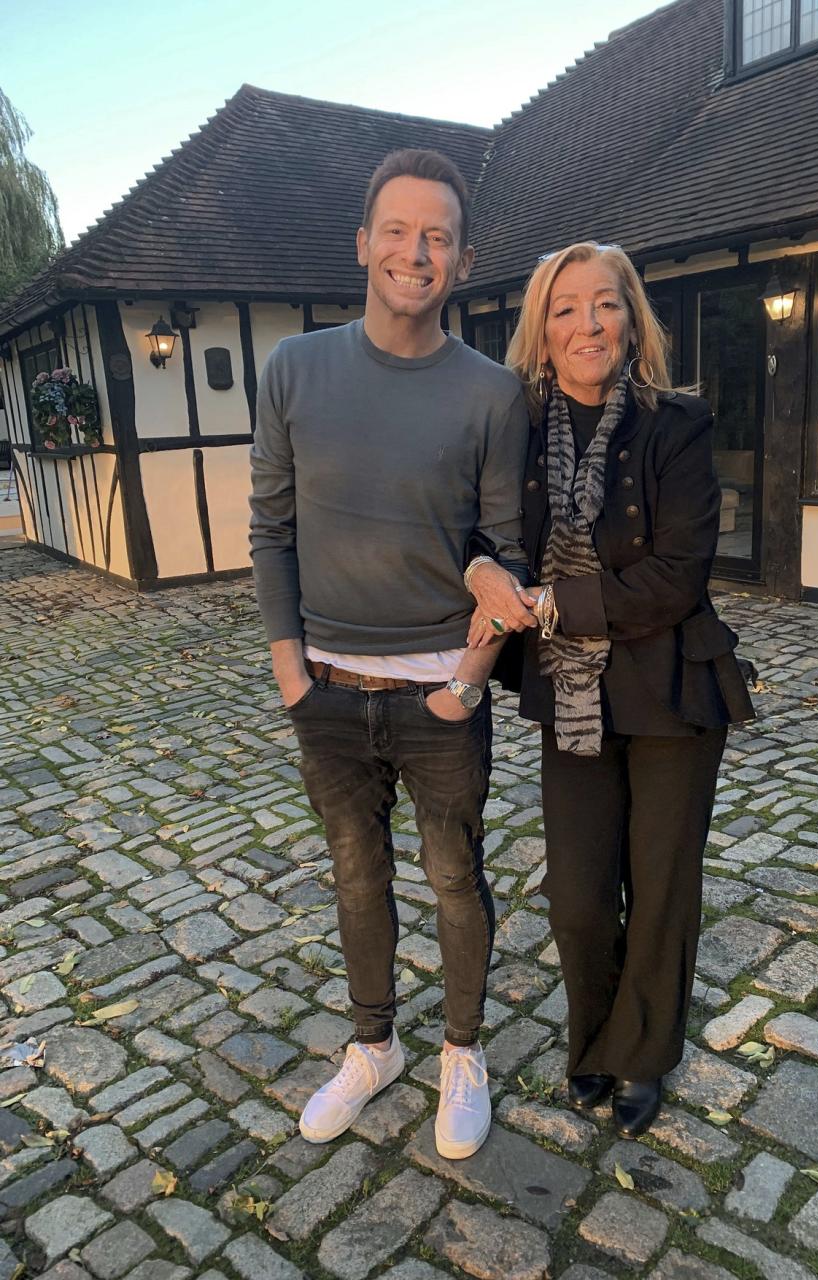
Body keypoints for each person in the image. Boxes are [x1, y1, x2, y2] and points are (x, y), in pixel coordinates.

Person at [248, 149, 536, 1160]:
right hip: (325, 691)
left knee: (455, 876)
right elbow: (270, 528)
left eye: (439, 235)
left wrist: (465, 683)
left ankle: (463, 1050)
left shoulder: (494, 394)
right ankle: (374, 1045)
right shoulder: (294, 370)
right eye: (399, 230)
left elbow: (504, 554)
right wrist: (291, 672)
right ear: (364, 242)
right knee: (354, 875)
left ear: (462, 257)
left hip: (440, 698)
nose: (418, 252)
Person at [475, 241, 754, 1138]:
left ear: (632, 320)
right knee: (580, 896)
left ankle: (640, 1056)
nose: (586, 323)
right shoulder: (517, 429)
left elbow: (677, 575)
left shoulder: (678, 424)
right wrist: (489, 570)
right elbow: (491, 534)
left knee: (661, 886)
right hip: (572, 694)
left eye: (605, 304)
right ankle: (592, 1038)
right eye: (565, 309)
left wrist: (551, 602)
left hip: (673, 691)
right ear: (542, 332)